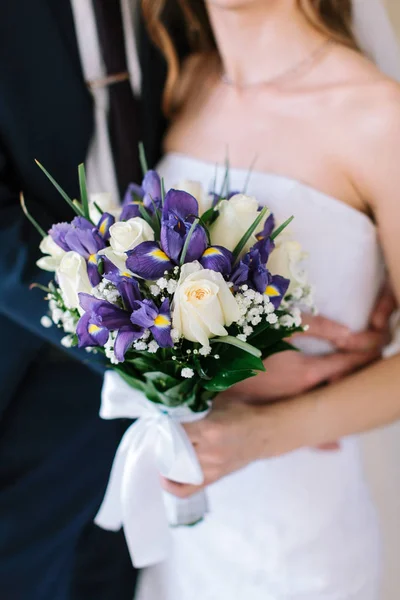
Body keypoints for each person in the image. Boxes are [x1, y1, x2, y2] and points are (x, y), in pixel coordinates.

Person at [133, 1, 400, 599]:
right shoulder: (185, 85)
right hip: (171, 513)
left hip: (295, 537)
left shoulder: (380, 117)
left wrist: (261, 435)